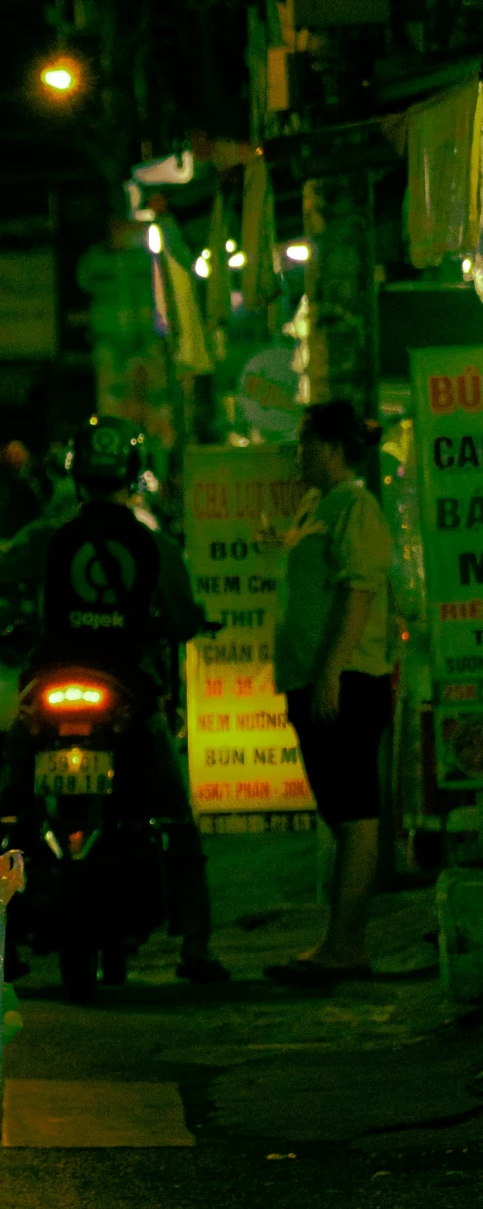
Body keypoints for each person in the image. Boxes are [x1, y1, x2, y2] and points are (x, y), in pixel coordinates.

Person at [0, 418, 228, 985]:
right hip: (129, 695)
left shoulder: (51, 538)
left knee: (7, 813)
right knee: (174, 816)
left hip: (49, 688)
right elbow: (180, 618)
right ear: (133, 477)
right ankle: (195, 946)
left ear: (77, 477)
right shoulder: (156, 547)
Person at [266, 401, 395, 987]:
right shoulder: (321, 504)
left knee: (356, 813)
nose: (299, 452)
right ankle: (338, 942)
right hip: (315, 681)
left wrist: (331, 674)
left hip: (346, 683)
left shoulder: (357, 505)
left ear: (333, 448)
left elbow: (359, 593)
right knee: (341, 812)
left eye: (305, 441)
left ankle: (347, 946)